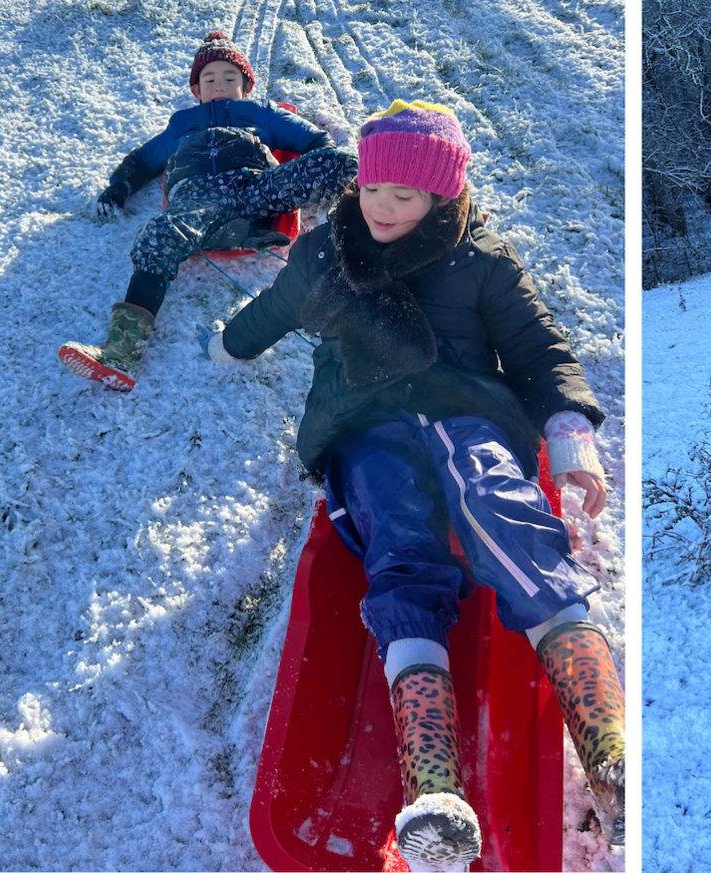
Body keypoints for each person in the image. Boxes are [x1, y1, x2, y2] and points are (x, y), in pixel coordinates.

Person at [205, 99, 624, 870]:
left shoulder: (479, 258)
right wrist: (232, 341)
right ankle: (435, 791)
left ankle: (608, 745)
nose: (382, 208)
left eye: (405, 196)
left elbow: (537, 345)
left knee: (494, 502)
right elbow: (273, 309)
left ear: (443, 195)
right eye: (371, 191)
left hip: (469, 414)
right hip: (364, 427)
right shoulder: (329, 253)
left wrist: (568, 428)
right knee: (399, 544)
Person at [58, 31, 359, 391]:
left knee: (340, 163)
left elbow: (313, 140)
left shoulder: (261, 112)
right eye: (209, 79)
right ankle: (121, 350)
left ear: (245, 86)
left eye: (230, 79)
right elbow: (143, 159)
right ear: (196, 89)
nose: (219, 85)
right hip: (196, 200)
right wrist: (120, 185)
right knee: (157, 237)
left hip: (253, 188)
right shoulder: (181, 123)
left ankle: (381, 207)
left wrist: (318, 163)